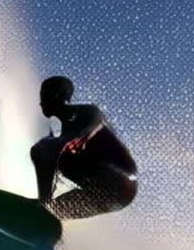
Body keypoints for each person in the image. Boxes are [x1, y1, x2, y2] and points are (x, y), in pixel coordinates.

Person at [29, 76, 137, 220]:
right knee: (55, 211)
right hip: (107, 193)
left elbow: (97, 118)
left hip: (120, 182)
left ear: (58, 96)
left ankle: (44, 205)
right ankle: (45, 207)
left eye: (44, 95)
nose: (40, 102)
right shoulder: (65, 132)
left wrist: (81, 136)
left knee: (44, 149)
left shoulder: (88, 112)